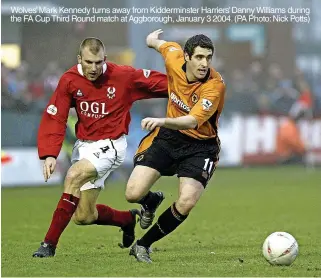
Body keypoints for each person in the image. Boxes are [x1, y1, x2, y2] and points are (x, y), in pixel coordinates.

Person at [33, 37, 168, 257]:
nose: (94, 68)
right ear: (80, 59)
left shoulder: (122, 76)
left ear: (105, 59)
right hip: (84, 147)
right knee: (83, 216)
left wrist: (192, 84)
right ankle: (128, 218)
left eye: (98, 62)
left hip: (111, 145)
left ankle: (48, 245)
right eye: (89, 62)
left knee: (73, 176)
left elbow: (159, 83)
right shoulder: (69, 80)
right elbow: (56, 115)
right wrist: (50, 153)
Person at [124, 29, 226, 263]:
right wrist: (151, 39)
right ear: (187, 56)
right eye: (199, 57)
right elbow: (158, 44)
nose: (204, 63)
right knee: (132, 194)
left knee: (187, 201)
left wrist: (161, 120)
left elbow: (191, 120)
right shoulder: (174, 56)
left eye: (209, 58)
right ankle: (150, 201)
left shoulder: (214, 85)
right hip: (170, 139)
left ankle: (143, 245)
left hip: (201, 146)